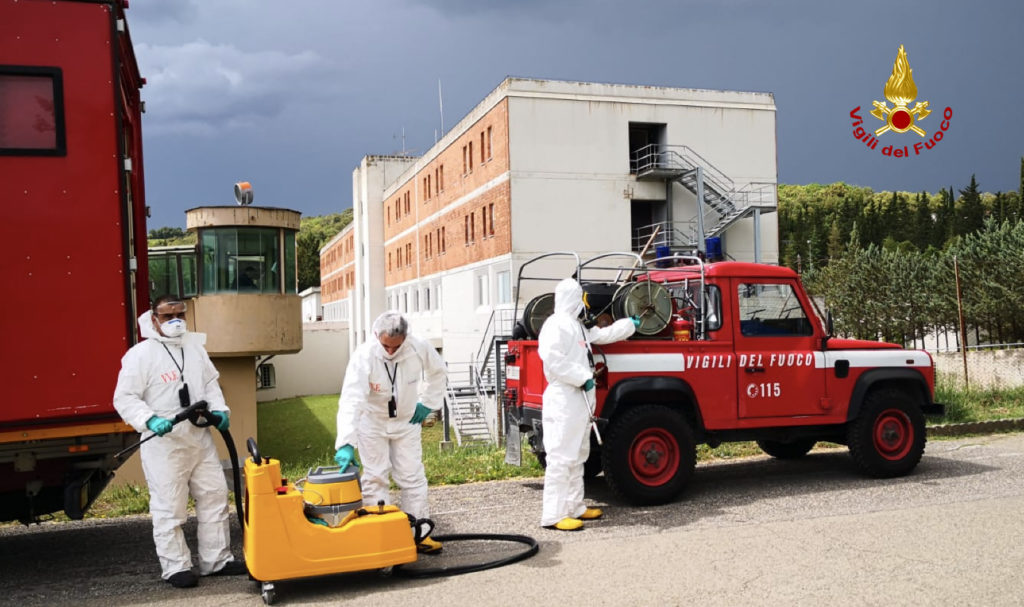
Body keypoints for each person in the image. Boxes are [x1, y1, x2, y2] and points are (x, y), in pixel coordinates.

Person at [112, 295, 246, 588]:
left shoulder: (195, 349)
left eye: (180, 314)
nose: (175, 321)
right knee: (169, 507)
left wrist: (220, 410)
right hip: (165, 443)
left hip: (199, 437)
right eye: (168, 315)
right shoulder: (141, 354)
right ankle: (176, 567)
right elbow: (124, 397)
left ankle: (217, 560)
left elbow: (210, 385)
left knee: (214, 497)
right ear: (154, 319)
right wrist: (149, 420)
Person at [335, 311, 447, 553]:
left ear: (405, 338)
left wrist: (428, 402)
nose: (389, 351)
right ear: (377, 335)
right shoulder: (364, 356)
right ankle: (378, 537)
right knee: (375, 478)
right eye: (385, 345)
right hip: (372, 423)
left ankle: (419, 534)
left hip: (406, 422)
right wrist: (346, 442)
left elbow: (438, 372)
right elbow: (351, 399)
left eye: (395, 346)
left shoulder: (418, 347)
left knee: (413, 477)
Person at [538, 278, 638, 531]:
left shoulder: (577, 326)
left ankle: (575, 507)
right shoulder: (555, 325)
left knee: (578, 454)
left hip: (579, 398)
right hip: (564, 397)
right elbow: (552, 360)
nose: (585, 304)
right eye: (581, 298)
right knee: (561, 456)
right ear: (572, 298)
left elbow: (602, 336)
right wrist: (582, 377)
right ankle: (553, 515)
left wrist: (629, 325)